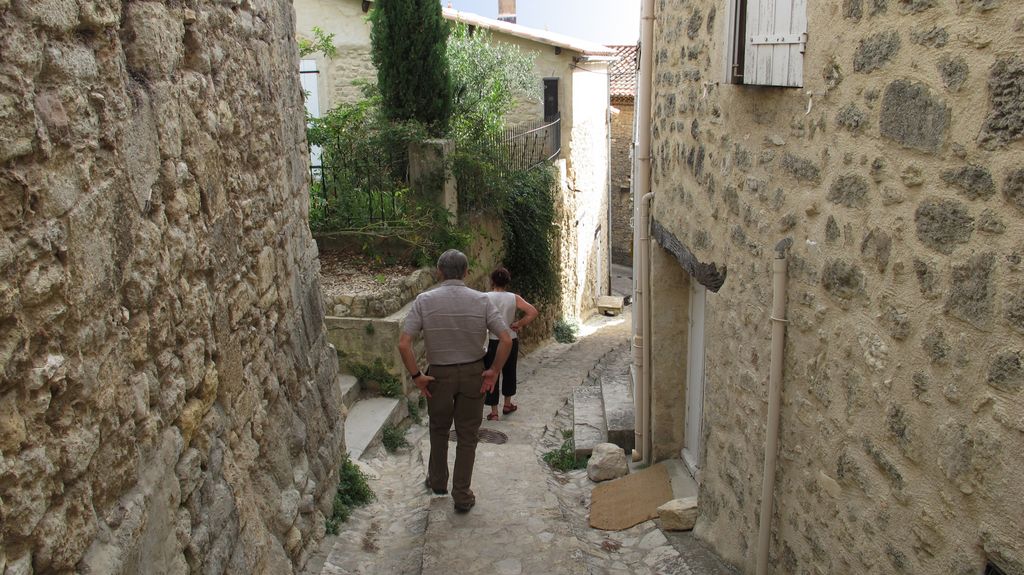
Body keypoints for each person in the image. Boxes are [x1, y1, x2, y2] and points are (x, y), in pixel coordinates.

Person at [397, 249, 513, 513]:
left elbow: (404, 343)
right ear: (466, 272)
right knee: (468, 435)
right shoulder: (482, 301)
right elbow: (505, 339)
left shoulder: (424, 301)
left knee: (438, 429)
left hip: (438, 374)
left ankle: (438, 482)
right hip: (473, 373)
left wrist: (417, 377)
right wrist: (493, 371)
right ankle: (461, 494)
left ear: (439, 272)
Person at [483, 267, 538, 421]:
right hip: (511, 339)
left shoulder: (485, 297)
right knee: (509, 371)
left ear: (492, 281)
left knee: (492, 373)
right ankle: (507, 404)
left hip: (493, 340)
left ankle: (494, 412)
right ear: (507, 282)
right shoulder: (514, 298)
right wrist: (519, 323)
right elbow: (532, 312)